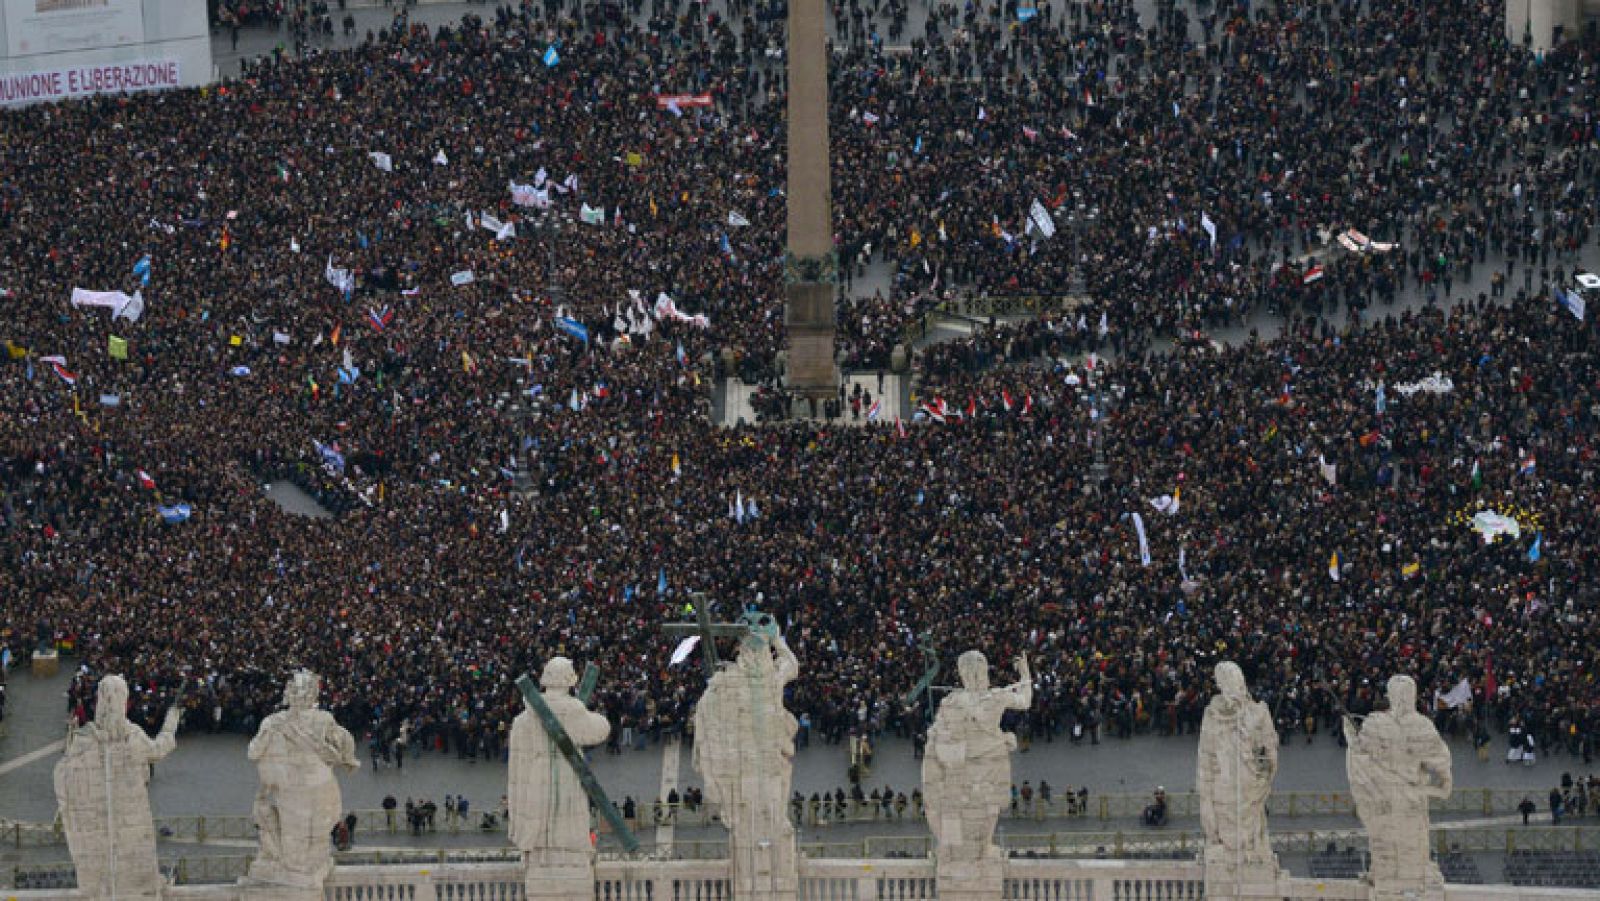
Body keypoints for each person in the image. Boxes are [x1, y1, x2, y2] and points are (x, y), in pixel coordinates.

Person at [691, 612, 800, 891]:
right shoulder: (745, 681)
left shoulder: (749, 681)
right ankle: (757, 879)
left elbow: (791, 666)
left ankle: (763, 877)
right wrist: (777, 640)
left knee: (767, 817)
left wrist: (775, 639)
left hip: (766, 763)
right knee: (756, 819)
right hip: (749, 765)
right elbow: (790, 663)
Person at [53, 675, 179, 901]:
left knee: (104, 865)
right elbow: (159, 749)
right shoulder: (132, 736)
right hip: (132, 815)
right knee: (136, 861)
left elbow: (65, 773)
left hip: (98, 818)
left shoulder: (84, 738)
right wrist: (171, 724)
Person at [244, 671, 360, 889]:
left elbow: (253, 752)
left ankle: (302, 877)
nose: (300, 695)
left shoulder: (278, 721)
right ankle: (307, 875)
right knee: (310, 843)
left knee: (302, 847)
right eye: (299, 691)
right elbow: (344, 745)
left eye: (302, 691)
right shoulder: (318, 719)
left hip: (300, 788)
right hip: (312, 786)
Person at [1345, 675, 1453, 895]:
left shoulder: (1375, 724)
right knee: (1411, 849)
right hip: (1411, 798)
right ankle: (1409, 885)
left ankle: (1385, 882)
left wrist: (1351, 736)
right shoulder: (1422, 726)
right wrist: (1433, 787)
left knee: (1385, 848)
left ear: (1391, 696)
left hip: (1382, 798)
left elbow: (1360, 753)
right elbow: (1443, 771)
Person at [921, 651, 1032, 862]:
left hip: (960, 761)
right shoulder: (997, 696)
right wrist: (1025, 674)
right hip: (991, 758)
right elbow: (1025, 701)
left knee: (956, 802)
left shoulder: (952, 701)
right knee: (990, 804)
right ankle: (984, 846)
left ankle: (951, 845)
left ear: (963, 674)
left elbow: (937, 733)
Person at [508, 657, 609, 872]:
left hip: (536, 773)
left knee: (542, 815)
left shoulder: (524, 719)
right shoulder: (573, 709)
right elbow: (598, 731)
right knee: (567, 814)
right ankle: (568, 858)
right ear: (568, 679)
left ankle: (540, 857)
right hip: (567, 769)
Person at [1196, 662, 1279, 875]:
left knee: (1249, 835)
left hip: (1249, 787)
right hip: (1222, 788)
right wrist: (1205, 797)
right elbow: (1204, 760)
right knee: (1228, 838)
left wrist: (1265, 758)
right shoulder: (1212, 715)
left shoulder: (1258, 713)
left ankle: (1250, 858)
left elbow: (1270, 753)